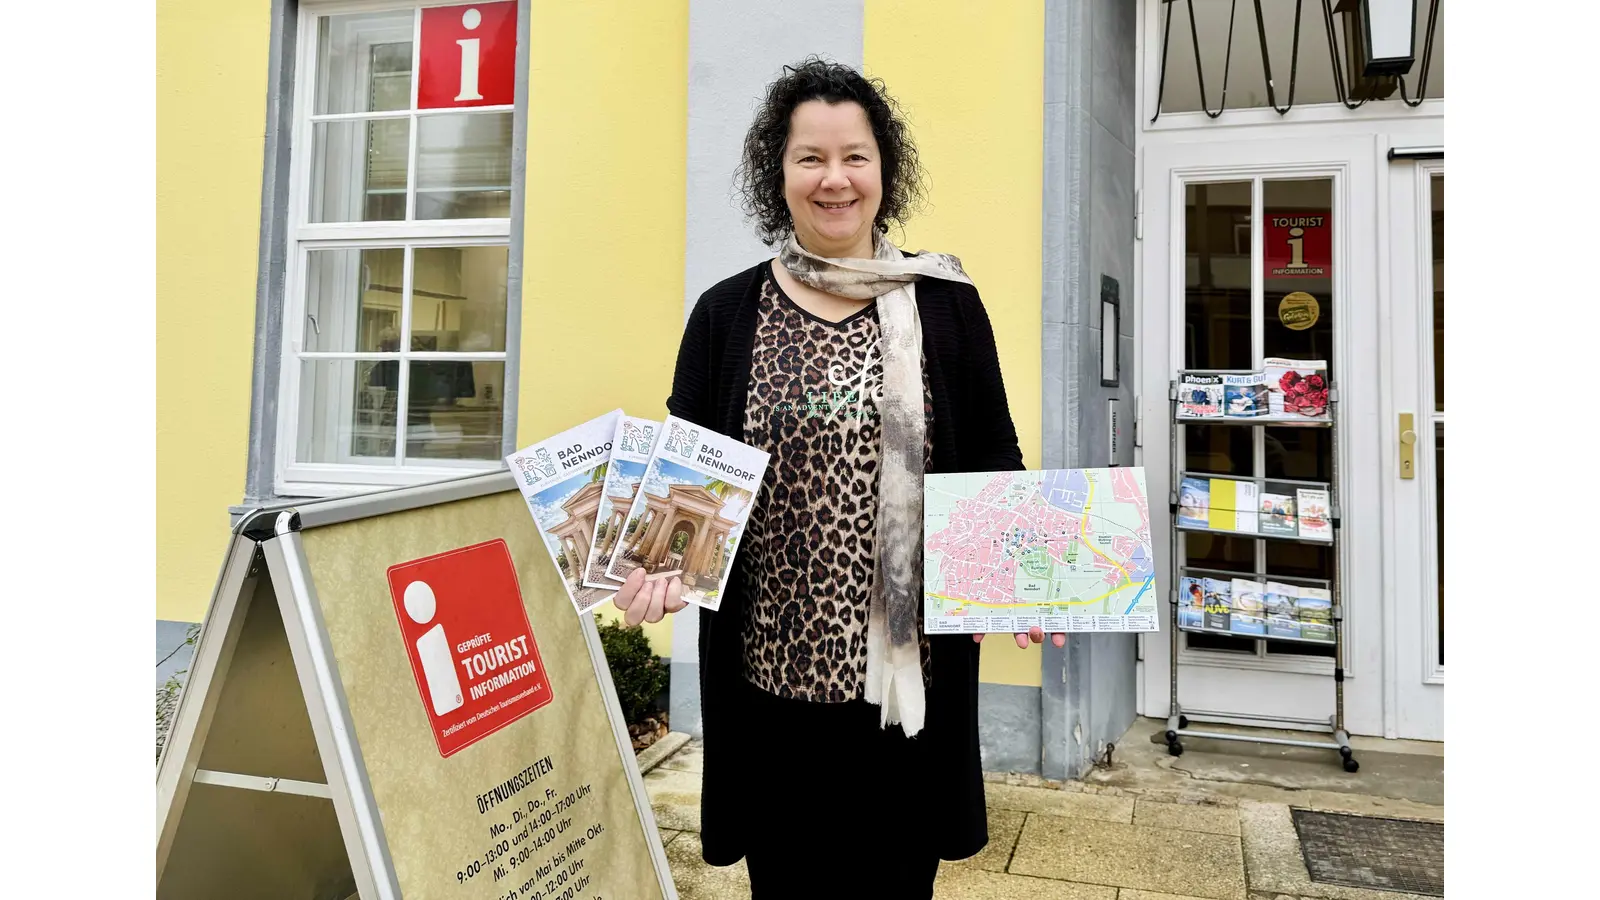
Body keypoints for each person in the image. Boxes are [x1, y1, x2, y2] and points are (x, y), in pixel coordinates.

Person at [610, 57, 1058, 899]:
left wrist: (1023, 578)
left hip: (907, 687)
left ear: (884, 170)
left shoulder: (946, 304)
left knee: (897, 886)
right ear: (776, 175)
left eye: (854, 155)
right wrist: (657, 563)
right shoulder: (725, 314)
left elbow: (992, 451)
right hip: (771, 687)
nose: (834, 178)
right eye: (809, 157)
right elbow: (687, 473)